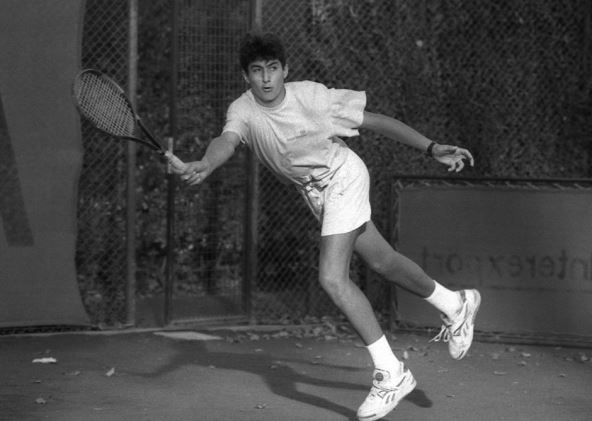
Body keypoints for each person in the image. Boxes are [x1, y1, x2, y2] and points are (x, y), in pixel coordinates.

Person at [174, 32, 481, 421]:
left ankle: (391, 373)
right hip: (317, 195)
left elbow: (375, 121)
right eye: (257, 71)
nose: (266, 78)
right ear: (245, 76)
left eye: (272, 69)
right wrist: (205, 163)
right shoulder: (243, 109)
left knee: (332, 279)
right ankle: (455, 303)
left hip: (343, 176)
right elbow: (226, 140)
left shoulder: (314, 98)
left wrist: (432, 148)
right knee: (383, 261)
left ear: (285, 70)